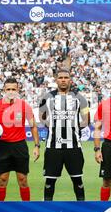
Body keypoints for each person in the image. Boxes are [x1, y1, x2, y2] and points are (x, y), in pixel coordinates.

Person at [39, 68, 90, 201]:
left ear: (70, 80)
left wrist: (75, 127)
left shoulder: (80, 98)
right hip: (53, 147)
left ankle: (82, 211)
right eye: (60, 78)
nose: (63, 80)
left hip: (73, 147)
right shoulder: (47, 97)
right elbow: (42, 116)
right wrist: (49, 124)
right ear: (56, 80)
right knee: (49, 183)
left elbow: (86, 119)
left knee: (78, 182)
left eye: (65, 78)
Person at [0, 77, 40, 201]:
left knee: (23, 180)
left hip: (20, 146)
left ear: (17, 90)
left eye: (13, 89)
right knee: (2, 180)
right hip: (3, 147)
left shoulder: (24, 106)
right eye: (8, 89)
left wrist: (37, 146)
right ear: (4, 89)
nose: (11, 91)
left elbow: (33, 127)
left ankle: (26, 209)